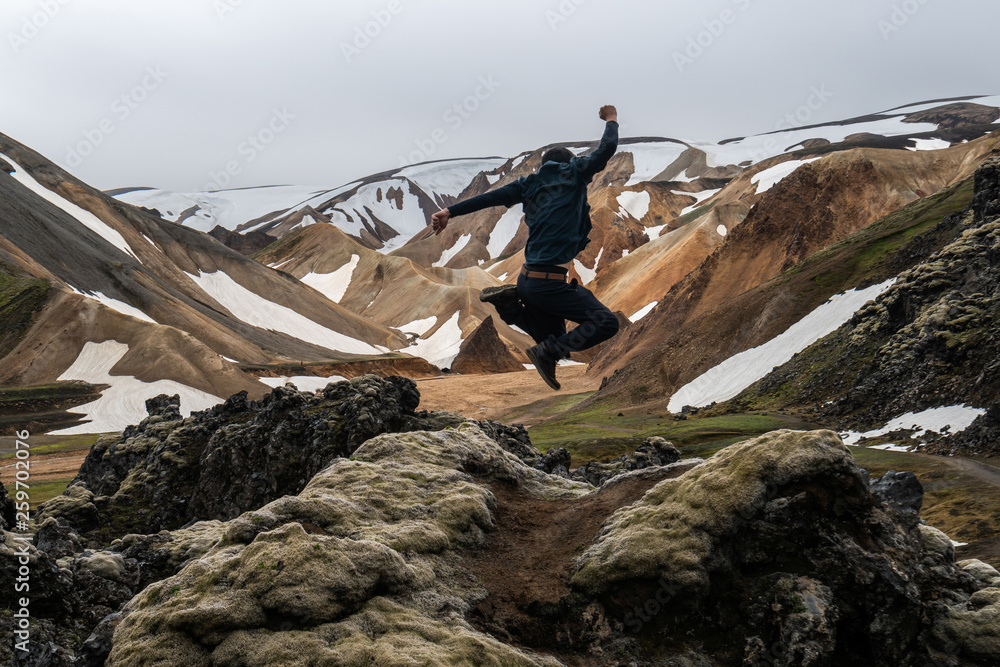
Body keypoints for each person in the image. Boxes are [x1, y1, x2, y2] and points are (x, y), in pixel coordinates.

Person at [430, 105, 621, 390]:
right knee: (606, 324)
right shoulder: (575, 173)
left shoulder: (527, 185)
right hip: (550, 286)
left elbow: (489, 198)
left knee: (551, 339)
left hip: (528, 280)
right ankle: (527, 327)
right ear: (568, 164)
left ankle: (511, 308)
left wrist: (449, 211)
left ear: (544, 165)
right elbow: (606, 149)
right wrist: (611, 118)